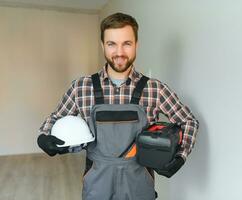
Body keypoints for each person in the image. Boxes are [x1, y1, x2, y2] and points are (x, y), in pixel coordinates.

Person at [37, 12, 199, 200]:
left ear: (136, 44)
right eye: (111, 44)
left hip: (139, 185)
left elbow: (188, 121)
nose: (119, 52)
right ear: (102, 45)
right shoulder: (81, 87)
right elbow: (56, 118)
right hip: (97, 184)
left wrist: (181, 155)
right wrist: (44, 137)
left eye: (127, 43)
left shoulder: (154, 89)